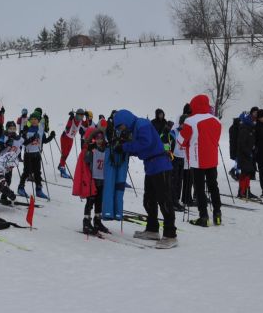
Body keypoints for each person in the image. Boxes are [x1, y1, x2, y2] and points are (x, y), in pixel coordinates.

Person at [113, 109, 177, 249]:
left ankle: (170, 235)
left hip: (161, 166)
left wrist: (125, 147)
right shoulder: (135, 128)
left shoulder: (141, 124)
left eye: (121, 126)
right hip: (151, 166)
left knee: (164, 200)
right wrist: (127, 150)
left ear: (125, 120)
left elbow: (145, 143)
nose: (121, 129)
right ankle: (152, 229)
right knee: (149, 200)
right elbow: (142, 148)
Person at [178, 94, 223, 227]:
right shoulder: (217, 121)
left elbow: (181, 141)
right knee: (213, 186)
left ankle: (203, 217)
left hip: (197, 160)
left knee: (199, 188)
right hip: (212, 159)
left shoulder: (190, 121)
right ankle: (217, 214)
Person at [72, 127, 110, 235]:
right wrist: (89, 148)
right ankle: (86, 222)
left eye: (101, 138)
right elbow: (86, 163)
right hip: (92, 180)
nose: (99, 140)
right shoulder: (91, 149)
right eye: (97, 138)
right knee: (90, 202)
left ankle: (97, 221)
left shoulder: (105, 149)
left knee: (99, 202)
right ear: (94, 139)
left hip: (101, 180)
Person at [17, 112, 55, 200]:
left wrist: (52, 136)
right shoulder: (26, 129)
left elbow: (44, 141)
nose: (34, 121)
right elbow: (24, 143)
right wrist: (31, 139)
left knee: (37, 172)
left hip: (37, 154)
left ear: (38, 121)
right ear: (30, 120)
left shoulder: (41, 129)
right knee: (26, 172)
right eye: (32, 119)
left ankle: (38, 189)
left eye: (36, 119)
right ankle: (20, 188)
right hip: (28, 153)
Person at [235, 111, 259, 200]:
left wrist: (254, 148)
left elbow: (251, 142)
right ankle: (242, 191)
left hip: (248, 154)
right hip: (243, 155)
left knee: (248, 172)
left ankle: (247, 190)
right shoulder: (244, 129)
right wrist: (248, 152)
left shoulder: (250, 128)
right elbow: (242, 144)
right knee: (245, 173)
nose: (253, 120)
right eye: (251, 119)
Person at [58, 108, 86, 178]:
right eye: (81, 115)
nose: (82, 117)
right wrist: (70, 119)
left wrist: (88, 117)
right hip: (65, 137)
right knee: (64, 154)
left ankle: (61, 165)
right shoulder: (72, 119)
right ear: (77, 115)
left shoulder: (81, 121)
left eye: (83, 116)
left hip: (71, 139)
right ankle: (62, 168)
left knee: (67, 154)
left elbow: (86, 125)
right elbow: (67, 129)